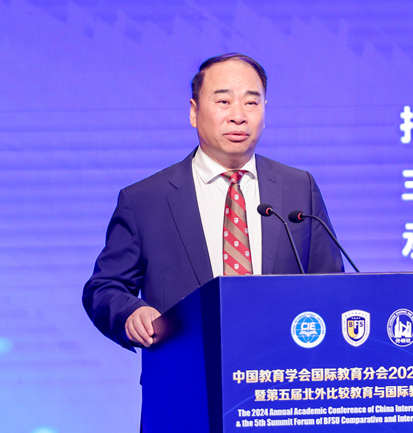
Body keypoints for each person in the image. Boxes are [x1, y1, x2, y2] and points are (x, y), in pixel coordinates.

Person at [82, 53, 343, 351]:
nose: (238, 115)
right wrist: (131, 313)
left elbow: (332, 286)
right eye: (223, 101)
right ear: (194, 112)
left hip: (281, 369)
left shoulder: (298, 187)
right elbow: (104, 288)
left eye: (251, 102)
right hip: (186, 370)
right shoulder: (146, 200)